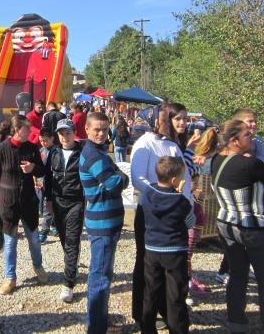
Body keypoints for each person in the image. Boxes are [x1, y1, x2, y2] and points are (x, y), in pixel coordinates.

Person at [211, 119, 264, 334]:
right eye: (247, 135)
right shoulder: (251, 165)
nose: (252, 137)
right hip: (256, 227)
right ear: (235, 141)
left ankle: (237, 324)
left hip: (227, 224)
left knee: (237, 276)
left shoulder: (216, 160)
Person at [80, 112, 128, 334]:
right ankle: (97, 328)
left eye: (104, 129)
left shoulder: (97, 151)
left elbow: (111, 181)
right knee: (100, 278)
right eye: (96, 129)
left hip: (104, 221)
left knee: (100, 275)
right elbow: (115, 184)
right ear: (87, 130)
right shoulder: (94, 155)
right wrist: (120, 175)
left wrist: (114, 175)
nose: (101, 133)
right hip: (102, 224)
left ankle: (97, 321)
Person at [0, 115, 48, 295]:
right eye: (27, 129)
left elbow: (42, 171)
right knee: (10, 242)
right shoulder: (0, 150)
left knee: (34, 239)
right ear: (16, 130)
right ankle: (10, 277)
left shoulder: (32, 148)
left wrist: (33, 168)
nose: (30, 132)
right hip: (8, 201)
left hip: (29, 200)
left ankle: (38, 267)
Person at [141, 157, 195, 334]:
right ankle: (177, 328)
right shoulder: (181, 202)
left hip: (152, 249)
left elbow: (142, 210)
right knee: (176, 294)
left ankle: (147, 328)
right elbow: (191, 222)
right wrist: (180, 195)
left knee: (151, 291)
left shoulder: (147, 193)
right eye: (181, 177)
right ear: (174, 180)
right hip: (174, 251)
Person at [44, 119, 85, 303]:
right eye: (61, 133)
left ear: (74, 133)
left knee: (71, 241)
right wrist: (48, 200)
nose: (64, 137)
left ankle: (68, 283)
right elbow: (47, 178)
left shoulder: (82, 152)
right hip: (58, 201)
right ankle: (72, 264)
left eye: (68, 133)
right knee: (64, 238)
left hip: (76, 201)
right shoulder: (53, 152)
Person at [37, 129, 57, 243]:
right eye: (41, 141)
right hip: (42, 184)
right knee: (44, 207)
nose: (43, 143)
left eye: (45, 141)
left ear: (52, 139)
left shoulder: (56, 151)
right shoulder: (41, 150)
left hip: (53, 184)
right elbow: (39, 167)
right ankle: (54, 225)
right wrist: (37, 182)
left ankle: (44, 231)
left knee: (48, 209)